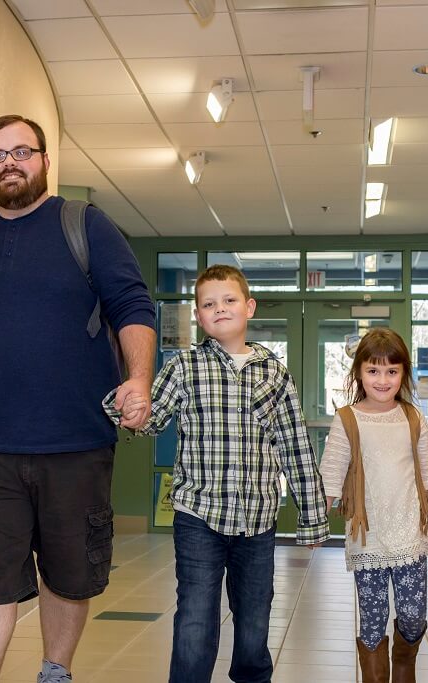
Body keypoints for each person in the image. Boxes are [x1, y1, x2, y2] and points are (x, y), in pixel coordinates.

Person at [0, 114, 156, 683]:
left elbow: (132, 305)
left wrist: (139, 379)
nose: (10, 164)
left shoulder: (85, 226)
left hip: (75, 444)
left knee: (70, 575)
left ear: (46, 161)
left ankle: (54, 671)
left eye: (22, 152)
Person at [106, 265, 330, 683]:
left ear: (249, 307)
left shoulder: (274, 373)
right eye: (208, 304)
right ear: (198, 316)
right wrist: (130, 407)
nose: (219, 309)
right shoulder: (184, 368)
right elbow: (150, 420)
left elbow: (294, 444)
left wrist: (312, 514)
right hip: (198, 515)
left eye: (229, 300)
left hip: (257, 520)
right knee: (195, 615)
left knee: (254, 619)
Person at [319, 327, 428, 683]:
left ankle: (405, 663)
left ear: (403, 374)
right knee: (372, 620)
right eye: (373, 371)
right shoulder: (348, 419)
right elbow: (331, 474)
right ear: (359, 373)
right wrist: (316, 519)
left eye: (392, 371)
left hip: (410, 534)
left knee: (412, 615)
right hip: (368, 538)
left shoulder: (412, 418)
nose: (383, 380)